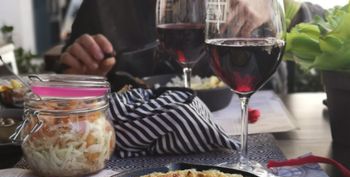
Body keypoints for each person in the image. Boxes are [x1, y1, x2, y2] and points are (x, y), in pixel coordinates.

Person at [58, 0, 324, 92]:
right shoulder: (103, 8)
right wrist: (80, 81)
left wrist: (272, 6)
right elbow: (66, 79)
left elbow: (330, 29)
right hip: (138, 147)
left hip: (258, 136)